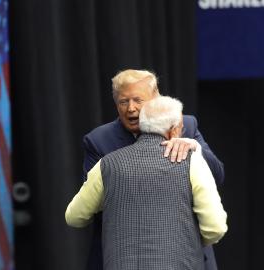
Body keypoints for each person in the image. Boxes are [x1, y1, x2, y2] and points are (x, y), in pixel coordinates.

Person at [82, 69, 225, 270]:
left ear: (156, 98)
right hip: (123, 258)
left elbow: (218, 176)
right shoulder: (99, 141)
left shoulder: (185, 125)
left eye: (138, 100)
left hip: (186, 257)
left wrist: (194, 148)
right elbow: (93, 203)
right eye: (124, 101)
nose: (131, 109)